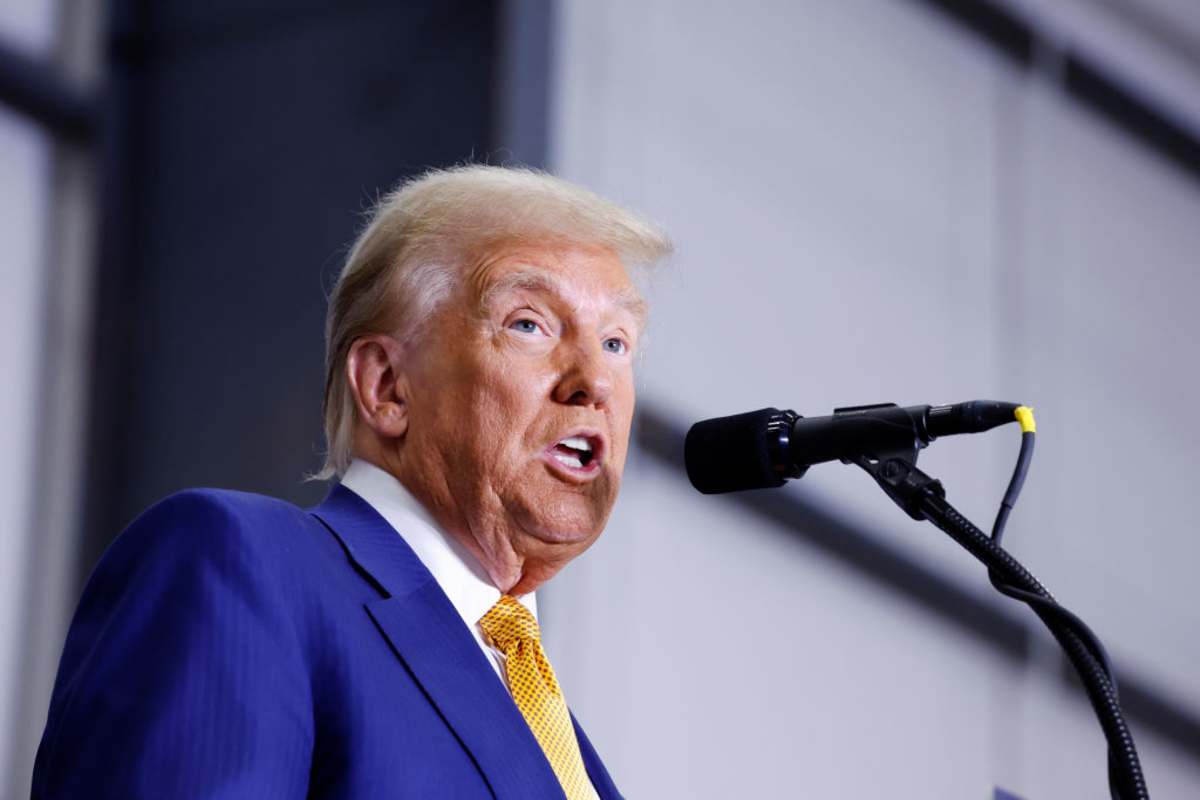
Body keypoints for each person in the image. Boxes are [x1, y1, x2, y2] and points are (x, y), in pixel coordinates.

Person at [31, 165, 672, 799]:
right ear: (387, 387)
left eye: (617, 342)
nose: (595, 381)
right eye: (528, 324)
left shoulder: (562, 745)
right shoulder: (244, 564)